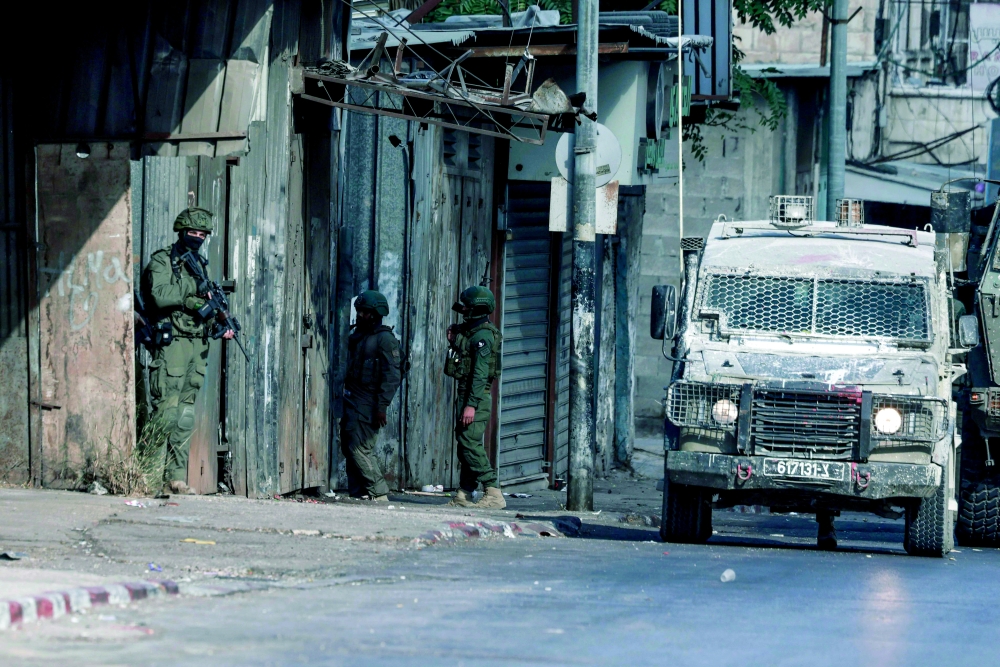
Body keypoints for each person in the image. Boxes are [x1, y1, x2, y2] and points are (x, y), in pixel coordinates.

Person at [142, 207, 234, 496]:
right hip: (172, 344)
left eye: (202, 234)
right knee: (165, 414)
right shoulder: (163, 260)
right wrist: (193, 294)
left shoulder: (200, 263)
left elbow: (200, 304)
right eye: (193, 233)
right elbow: (158, 295)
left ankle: (176, 479)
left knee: (184, 418)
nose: (198, 238)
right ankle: (148, 476)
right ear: (181, 232)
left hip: (196, 344)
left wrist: (219, 322)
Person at [445, 286, 504, 509]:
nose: (463, 310)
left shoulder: (483, 337)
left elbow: (480, 374)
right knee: (464, 444)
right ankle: (464, 493)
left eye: (467, 307)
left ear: (477, 308)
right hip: (467, 394)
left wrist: (471, 405)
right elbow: (465, 357)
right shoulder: (472, 332)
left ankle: (493, 491)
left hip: (476, 397)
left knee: (469, 443)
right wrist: (453, 339)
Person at [341, 290, 402, 501]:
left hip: (368, 402)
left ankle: (379, 492)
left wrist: (381, 406)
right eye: (359, 311)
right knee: (349, 448)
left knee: (359, 448)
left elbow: (393, 375)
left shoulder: (385, 339)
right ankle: (358, 493)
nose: (359, 316)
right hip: (352, 399)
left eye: (364, 312)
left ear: (375, 314)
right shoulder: (360, 335)